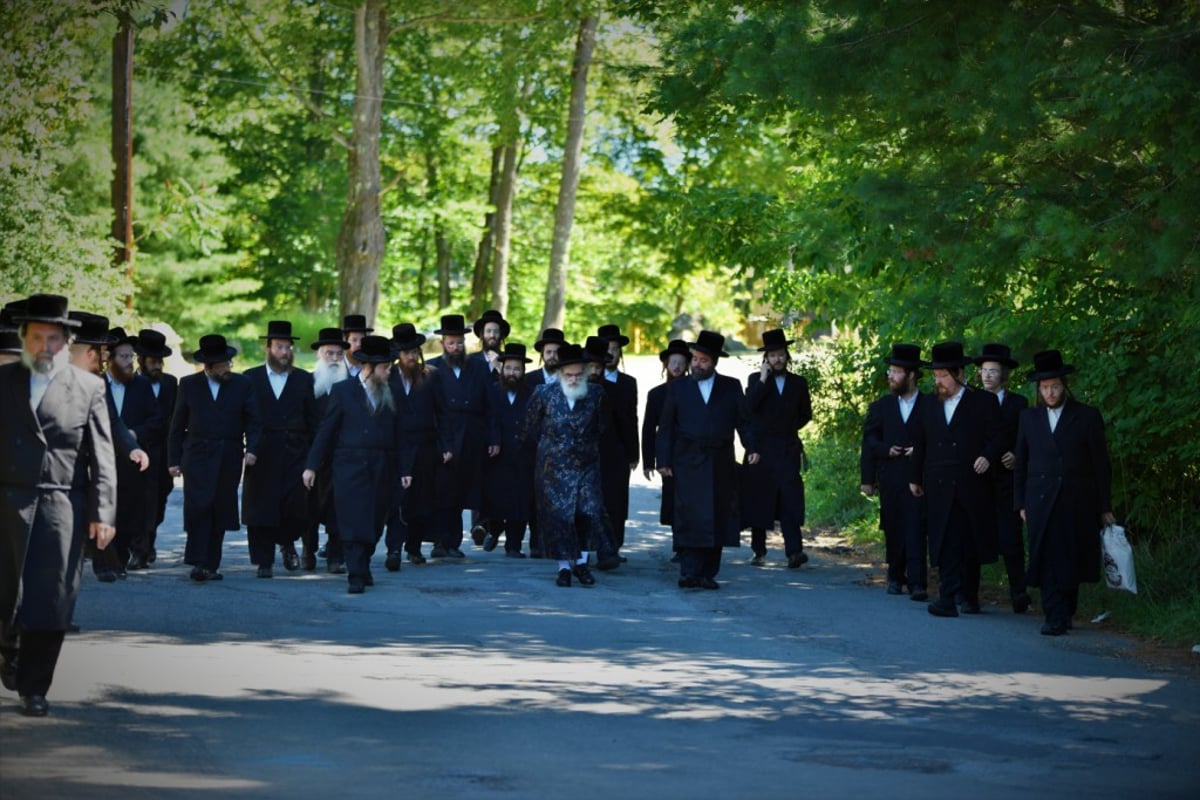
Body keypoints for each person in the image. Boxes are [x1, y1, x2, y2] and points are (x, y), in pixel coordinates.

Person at [0, 294, 117, 717]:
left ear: (66, 343)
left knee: (52, 599)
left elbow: (102, 455)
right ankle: (8, 648)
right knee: (7, 593)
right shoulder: (5, 381)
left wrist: (103, 513)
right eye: (36, 338)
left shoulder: (89, 388)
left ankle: (35, 687)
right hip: (8, 501)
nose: (44, 347)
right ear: (24, 339)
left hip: (61, 505)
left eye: (53, 339)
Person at [1014, 350, 1115, 636]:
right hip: (1039, 499)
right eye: (1045, 387)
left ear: (1064, 385)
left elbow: (1101, 465)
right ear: (1038, 388)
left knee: (1071, 556)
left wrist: (1104, 505)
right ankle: (1054, 615)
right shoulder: (1028, 418)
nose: (1050, 392)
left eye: (1055, 386)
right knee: (1045, 556)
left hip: (1077, 499)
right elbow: (1021, 462)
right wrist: (1020, 502)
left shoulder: (1086, 416)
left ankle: (1066, 608)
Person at [656, 330, 758, 590]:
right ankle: (689, 572)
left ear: (714, 362)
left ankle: (708, 573)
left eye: (703, 360)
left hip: (720, 460)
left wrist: (751, 446)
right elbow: (666, 426)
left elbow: (743, 421)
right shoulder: (678, 387)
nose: (697, 364)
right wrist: (663, 460)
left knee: (718, 515)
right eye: (695, 359)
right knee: (689, 515)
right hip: (686, 461)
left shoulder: (731, 386)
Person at [909, 341, 1002, 617]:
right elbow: (920, 441)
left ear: (959, 374)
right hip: (939, 482)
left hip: (971, 481)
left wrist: (988, 455)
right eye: (936, 375)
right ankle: (947, 597)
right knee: (946, 540)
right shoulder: (928, 404)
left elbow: (999, 436)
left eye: (944, 375)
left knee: (970, 541)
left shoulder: (983, 402)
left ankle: (970, 596)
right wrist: (915, 476)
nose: (939, 381)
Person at [303, 335, 400, 594]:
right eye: (385, 367)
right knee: (353, 520)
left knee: (374, 521)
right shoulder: (343, 391)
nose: (390, 370)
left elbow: (401, 434)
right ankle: (355, 574)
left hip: (382, 464)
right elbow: (326, 430)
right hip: (349, 466)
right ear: (369, 367)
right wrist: (311, 465)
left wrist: (404, 469)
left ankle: (363, 563)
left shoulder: (392, 392)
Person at [519, 343, 615, 587]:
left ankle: (581, 562)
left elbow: (603, 427)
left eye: (578, 375)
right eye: (569, 375)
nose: (574, 379)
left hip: (586, 465)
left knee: (588, 512)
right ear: (560, 374)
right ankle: (563, 567)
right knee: (560, 517)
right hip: (553, 468)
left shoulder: (596, 394)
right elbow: (529, 429)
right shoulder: (544, 393)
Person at [168, 334, 261, 582]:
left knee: (220, 508)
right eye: (222, 364)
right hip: (197, 454)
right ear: (208, 366)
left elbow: (253, 421)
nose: (227, 367)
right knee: (198, 507)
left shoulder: (242, 384)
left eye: (228, 362)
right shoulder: (188, 384)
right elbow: (177, 425)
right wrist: (173, 460)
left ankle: (212, 563)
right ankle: (198, 561)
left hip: (229, 454)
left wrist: (252, 449)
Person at [68, 312, 149, 582]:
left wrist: (130, 448)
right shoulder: (51, 376)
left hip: (83, 470)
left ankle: (59, 611)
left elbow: (111, 421)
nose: (106, 357)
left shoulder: (97, 381)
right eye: (102, 350)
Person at [242, 321, 318, 578]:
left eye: (287, 347)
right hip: (261, 453)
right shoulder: (250, 378)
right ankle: (264, 561)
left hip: (295, 452)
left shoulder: (303, 379)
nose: (284, 352)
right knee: (260, 508)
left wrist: (312, 458)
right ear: (268, 348)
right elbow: (243, 417)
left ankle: (287, 544)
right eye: (279, 347)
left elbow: (312, 420)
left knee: (295, 507)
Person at [426, 314, 500, 559]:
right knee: (440, 491)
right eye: (451, 343)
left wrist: (493, 438)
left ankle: (454, 542)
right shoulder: (433, 368)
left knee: (460, 492)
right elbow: (431, 411)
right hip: (445, 435)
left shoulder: (478, 367)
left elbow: (491, 405)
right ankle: (439, 541)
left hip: (472, 435)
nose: (456, 347)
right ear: (442, 344)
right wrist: (441, 444)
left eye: (459, 343)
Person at [860, 343, 929, 599]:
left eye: (896, 372)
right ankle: (895, 576)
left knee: (916, 528)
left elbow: (937, 438)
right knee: (893, 526)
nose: (890, 376)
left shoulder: (929, 404)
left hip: (919, 477)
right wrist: (868, 476)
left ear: (911, 375)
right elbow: (869, 440)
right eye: (890, 371)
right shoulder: (882, 406)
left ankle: (918, 581)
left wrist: (920, 451)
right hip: (890, 477)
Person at [741, 328, 813, 568]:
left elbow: (806, 414)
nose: (777, 359)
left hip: (788, 448)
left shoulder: (798, 383)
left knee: (790, 500)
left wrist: (788, 428)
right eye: (772, 356)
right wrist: (762, 379)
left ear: (787, 356)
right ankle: (758, 550)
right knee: (760, 498)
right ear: (766, 359)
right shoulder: (755, 380)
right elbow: (748, 409)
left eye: (781, 355)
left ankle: (794, 551)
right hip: (760, 450)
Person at [974, 343, 1032, 614]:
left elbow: (1026, 438)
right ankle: (969, 594)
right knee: (974, 536)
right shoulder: (970, 402)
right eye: (984, 370)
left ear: (1004, 374)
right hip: (979, 479)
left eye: (993, 371)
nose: (987, 376)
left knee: (1012, 540)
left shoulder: (1018, 403)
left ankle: (1018, 592)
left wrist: (1017, 457)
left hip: (1008, 479)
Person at [106, 327, 163, 573]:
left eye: (131, 356)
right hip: (102, 459)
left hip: (132, 462)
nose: (129, 362)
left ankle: (120, 559)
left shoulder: (141, 386)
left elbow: (156, 420)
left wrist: (134, 434)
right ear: (109, 359)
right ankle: (105, 560)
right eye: (123, 357)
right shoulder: (95, 385)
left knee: (128, 512)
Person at [386, 323, 437, 568]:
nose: (411, 357)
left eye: (415, 352)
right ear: (398, 354)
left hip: (424, 447)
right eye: (407, 353)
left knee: (421, 501)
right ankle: (393, 549)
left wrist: (444, 444)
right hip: (395, 446)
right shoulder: (387, 377)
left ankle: (414, 547)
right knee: (396, 500)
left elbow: (442, 412)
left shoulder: (430, 376)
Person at [482, 343, 537, 557]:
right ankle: (494, 531)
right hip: (497, 454)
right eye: (508, 368)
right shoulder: (492, 391)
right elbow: (488, 420)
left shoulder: (532, 393)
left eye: (517, 369)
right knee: (496, 498)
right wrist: (493, 440)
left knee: (521, 501)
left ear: (523, 371)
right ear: (502, 369)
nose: (512, 373)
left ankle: (513, 545)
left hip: (524, 455)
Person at [306, 327, 350, 573]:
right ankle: (308, 552)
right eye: (329, 353)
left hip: (341, 458)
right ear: (319, 355)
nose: (334, 359)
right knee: (308, 509)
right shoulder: (307, 384)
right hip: (311, 458)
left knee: (338, 509)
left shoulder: (351, 387)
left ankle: (336, 557)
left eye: (337, 354)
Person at [134, 328, 178, 566]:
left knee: (159, 503)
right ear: (141, 361)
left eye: (160, 361)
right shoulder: (130, 383)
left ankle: (148, 541)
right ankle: (139, 548)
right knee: (140, 503)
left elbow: (176, 418)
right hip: (138, 452)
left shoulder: (171, 384)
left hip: (163, 454)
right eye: (153, 361)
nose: (158, 366)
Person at [596, 324, 639, 559]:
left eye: (615, 348)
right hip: (593, 450)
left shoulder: (628, 382)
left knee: (617, 500)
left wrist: (634, 453)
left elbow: (631, 418)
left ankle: (613, 546)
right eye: (607, 348)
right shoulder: (589, 378)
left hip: (618, 450)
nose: (611, 353)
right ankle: (593, 546)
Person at [642, 339, 690, 530]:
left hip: (690, 453)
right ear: (666, 365)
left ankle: (687, 544)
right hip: (667, 453)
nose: (677, 367)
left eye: (681, 363)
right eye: (673, 362)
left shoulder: (695, 391)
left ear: (687, 365)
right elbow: (648, 429)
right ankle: (678, 543)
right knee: (671, 497)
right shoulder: (657, 394)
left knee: (690, 499)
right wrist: (648, 462)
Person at [342, 313, 373, 379]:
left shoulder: (370, 368)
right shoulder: (337, 366)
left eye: (362, 340)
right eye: (354, 340)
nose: (359, 344)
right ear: (345, 341)